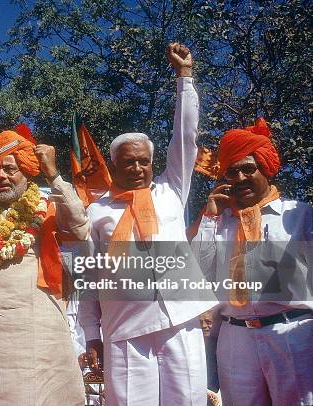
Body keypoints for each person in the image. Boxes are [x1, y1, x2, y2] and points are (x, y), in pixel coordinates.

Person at [81, 43, 212, 405]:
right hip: (124, 329)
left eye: (143, 161)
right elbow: (88, 278)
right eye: (129, 163)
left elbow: (186, 139)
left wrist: (184, 78)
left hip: (180, 319)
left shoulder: (172, 191)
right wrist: (92, 334)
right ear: (115, 166)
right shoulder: (96, 212)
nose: (137, 168)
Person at [0, 131, 87, 404]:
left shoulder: (47, 206)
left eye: (10, 168)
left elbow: (79, 227)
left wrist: (53, 175)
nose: (1, 175)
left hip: (38, 333)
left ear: (27, 172)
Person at [192, 117, 312, 405]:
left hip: (291, 334)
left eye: (249, 169)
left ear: (266, 169)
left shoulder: (299, 214)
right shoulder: (218, 223)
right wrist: (209, 217)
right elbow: (199, 271)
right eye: (232, 173)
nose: (241, 178)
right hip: (235, 338)